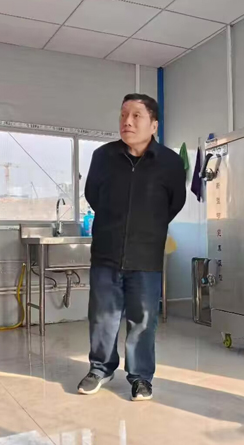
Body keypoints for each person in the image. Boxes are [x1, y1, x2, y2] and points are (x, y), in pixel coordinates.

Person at [77, 94, 186, 401]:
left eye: (136, 115)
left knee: (143, 320)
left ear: (154, 124)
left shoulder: (170, 162)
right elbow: (93, 195)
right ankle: (100, 368)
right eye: (124, 114)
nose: (127, 121)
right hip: (107, 251)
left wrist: (146, 227)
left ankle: (140, 377)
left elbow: (174, 203)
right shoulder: (103, 156)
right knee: (102, 317)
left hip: (146, 254)